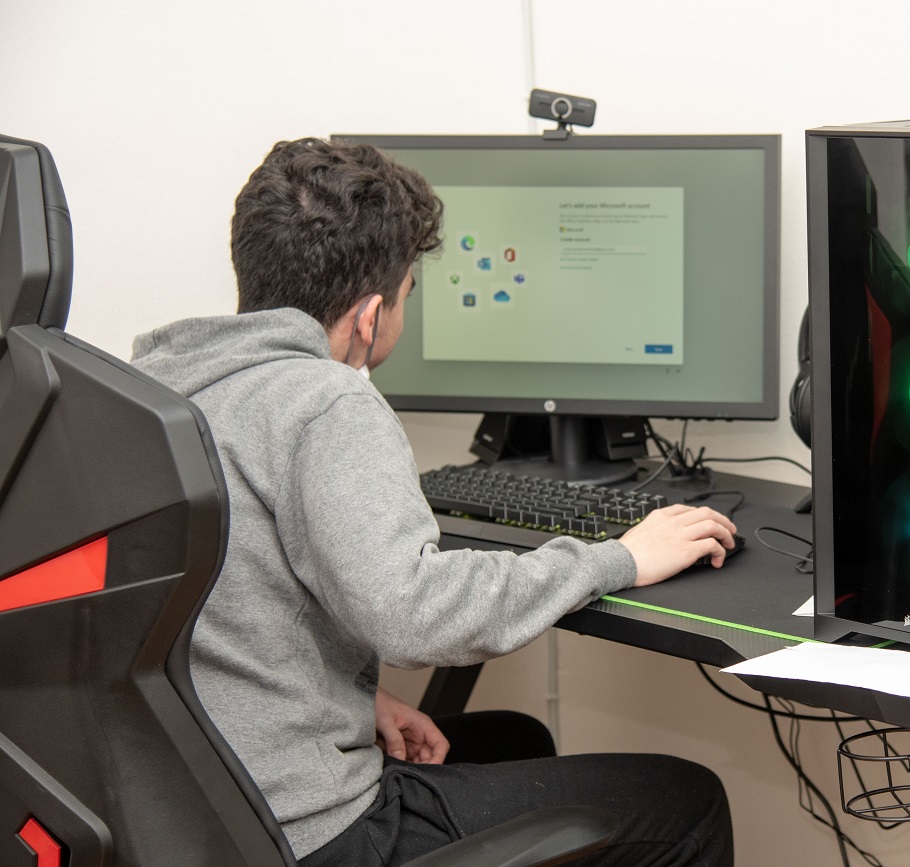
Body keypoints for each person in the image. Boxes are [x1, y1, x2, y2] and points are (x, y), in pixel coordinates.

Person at [130, 138, 738, 867]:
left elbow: (211, 614)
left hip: (195, 814)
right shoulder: (323, 401)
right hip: (310, 833)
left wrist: (355, 702)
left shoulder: (152, 391)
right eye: (410, 293)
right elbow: (412, 612)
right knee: (689, 800)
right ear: (370, 316)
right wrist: (620, 558)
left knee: (515, 739)